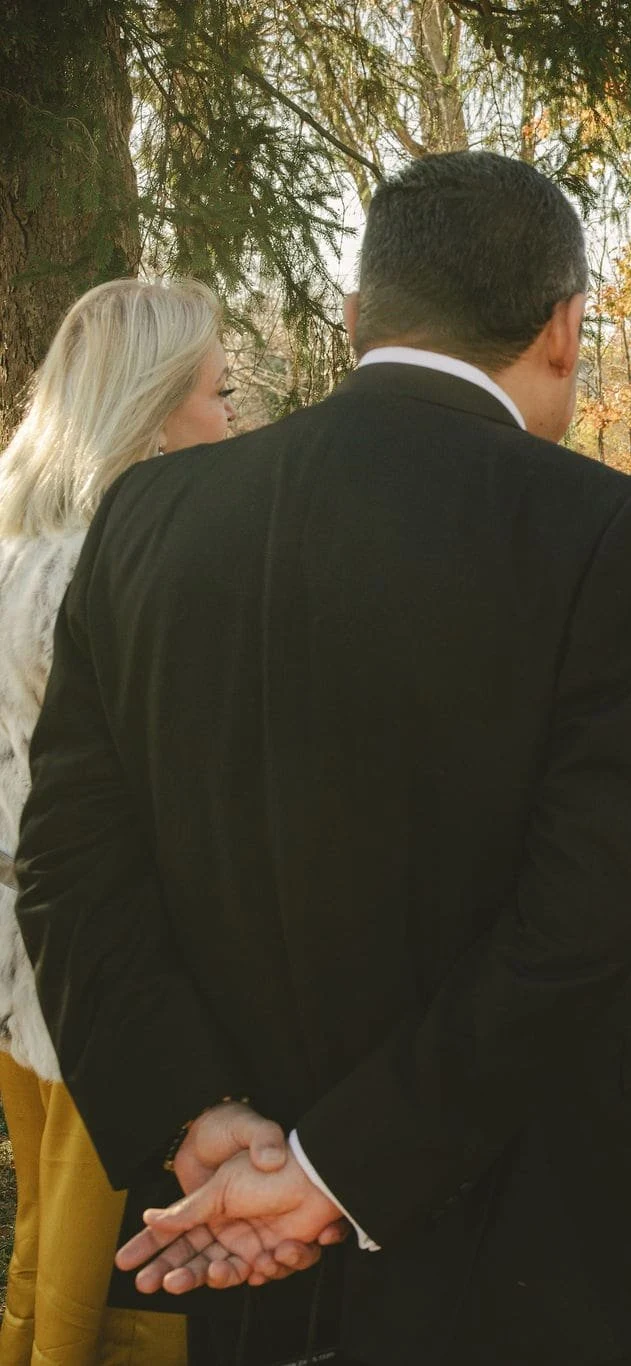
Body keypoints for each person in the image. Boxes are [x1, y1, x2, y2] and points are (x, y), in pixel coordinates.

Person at [16, 151, 631, 1366]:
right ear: (562, 326)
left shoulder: (149, 517)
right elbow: (580, 917)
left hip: (238, 1233)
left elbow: (66, 868)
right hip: (516, 1243)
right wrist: (333, 1173)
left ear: (353, 315)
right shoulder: (605, 529)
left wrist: (202, 1120)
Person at [0, 277, 234, 1366]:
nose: (233, 423)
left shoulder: (14, 549)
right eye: (221, 393)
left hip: (16, 955)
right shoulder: (111, 572)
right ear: (150, 410)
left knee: (48, 1231)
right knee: (112, 1260)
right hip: (96, 961)